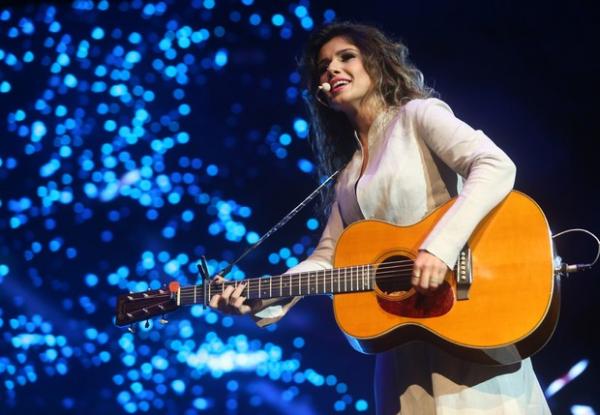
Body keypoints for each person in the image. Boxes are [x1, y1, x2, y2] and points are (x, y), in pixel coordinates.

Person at [209, 22, 550, 414]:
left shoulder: (417, 116)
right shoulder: (348, 175)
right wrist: (260, 296)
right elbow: (329, 261)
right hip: (401, 349)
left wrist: (439, 249)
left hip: (466, 317)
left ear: (376, 63)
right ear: (319, 92)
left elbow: (495, 164)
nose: (332, 70)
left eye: (345, 57)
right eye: (323, 67)